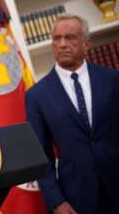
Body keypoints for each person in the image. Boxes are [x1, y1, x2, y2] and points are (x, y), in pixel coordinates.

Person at [26, 14, 119, 214]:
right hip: (78, 199)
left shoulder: (112, 79)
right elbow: (40, 156)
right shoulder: (37, 96)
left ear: (86, 44)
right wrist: (56, 201)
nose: (62, 44)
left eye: (70, 38)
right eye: (57, 39)